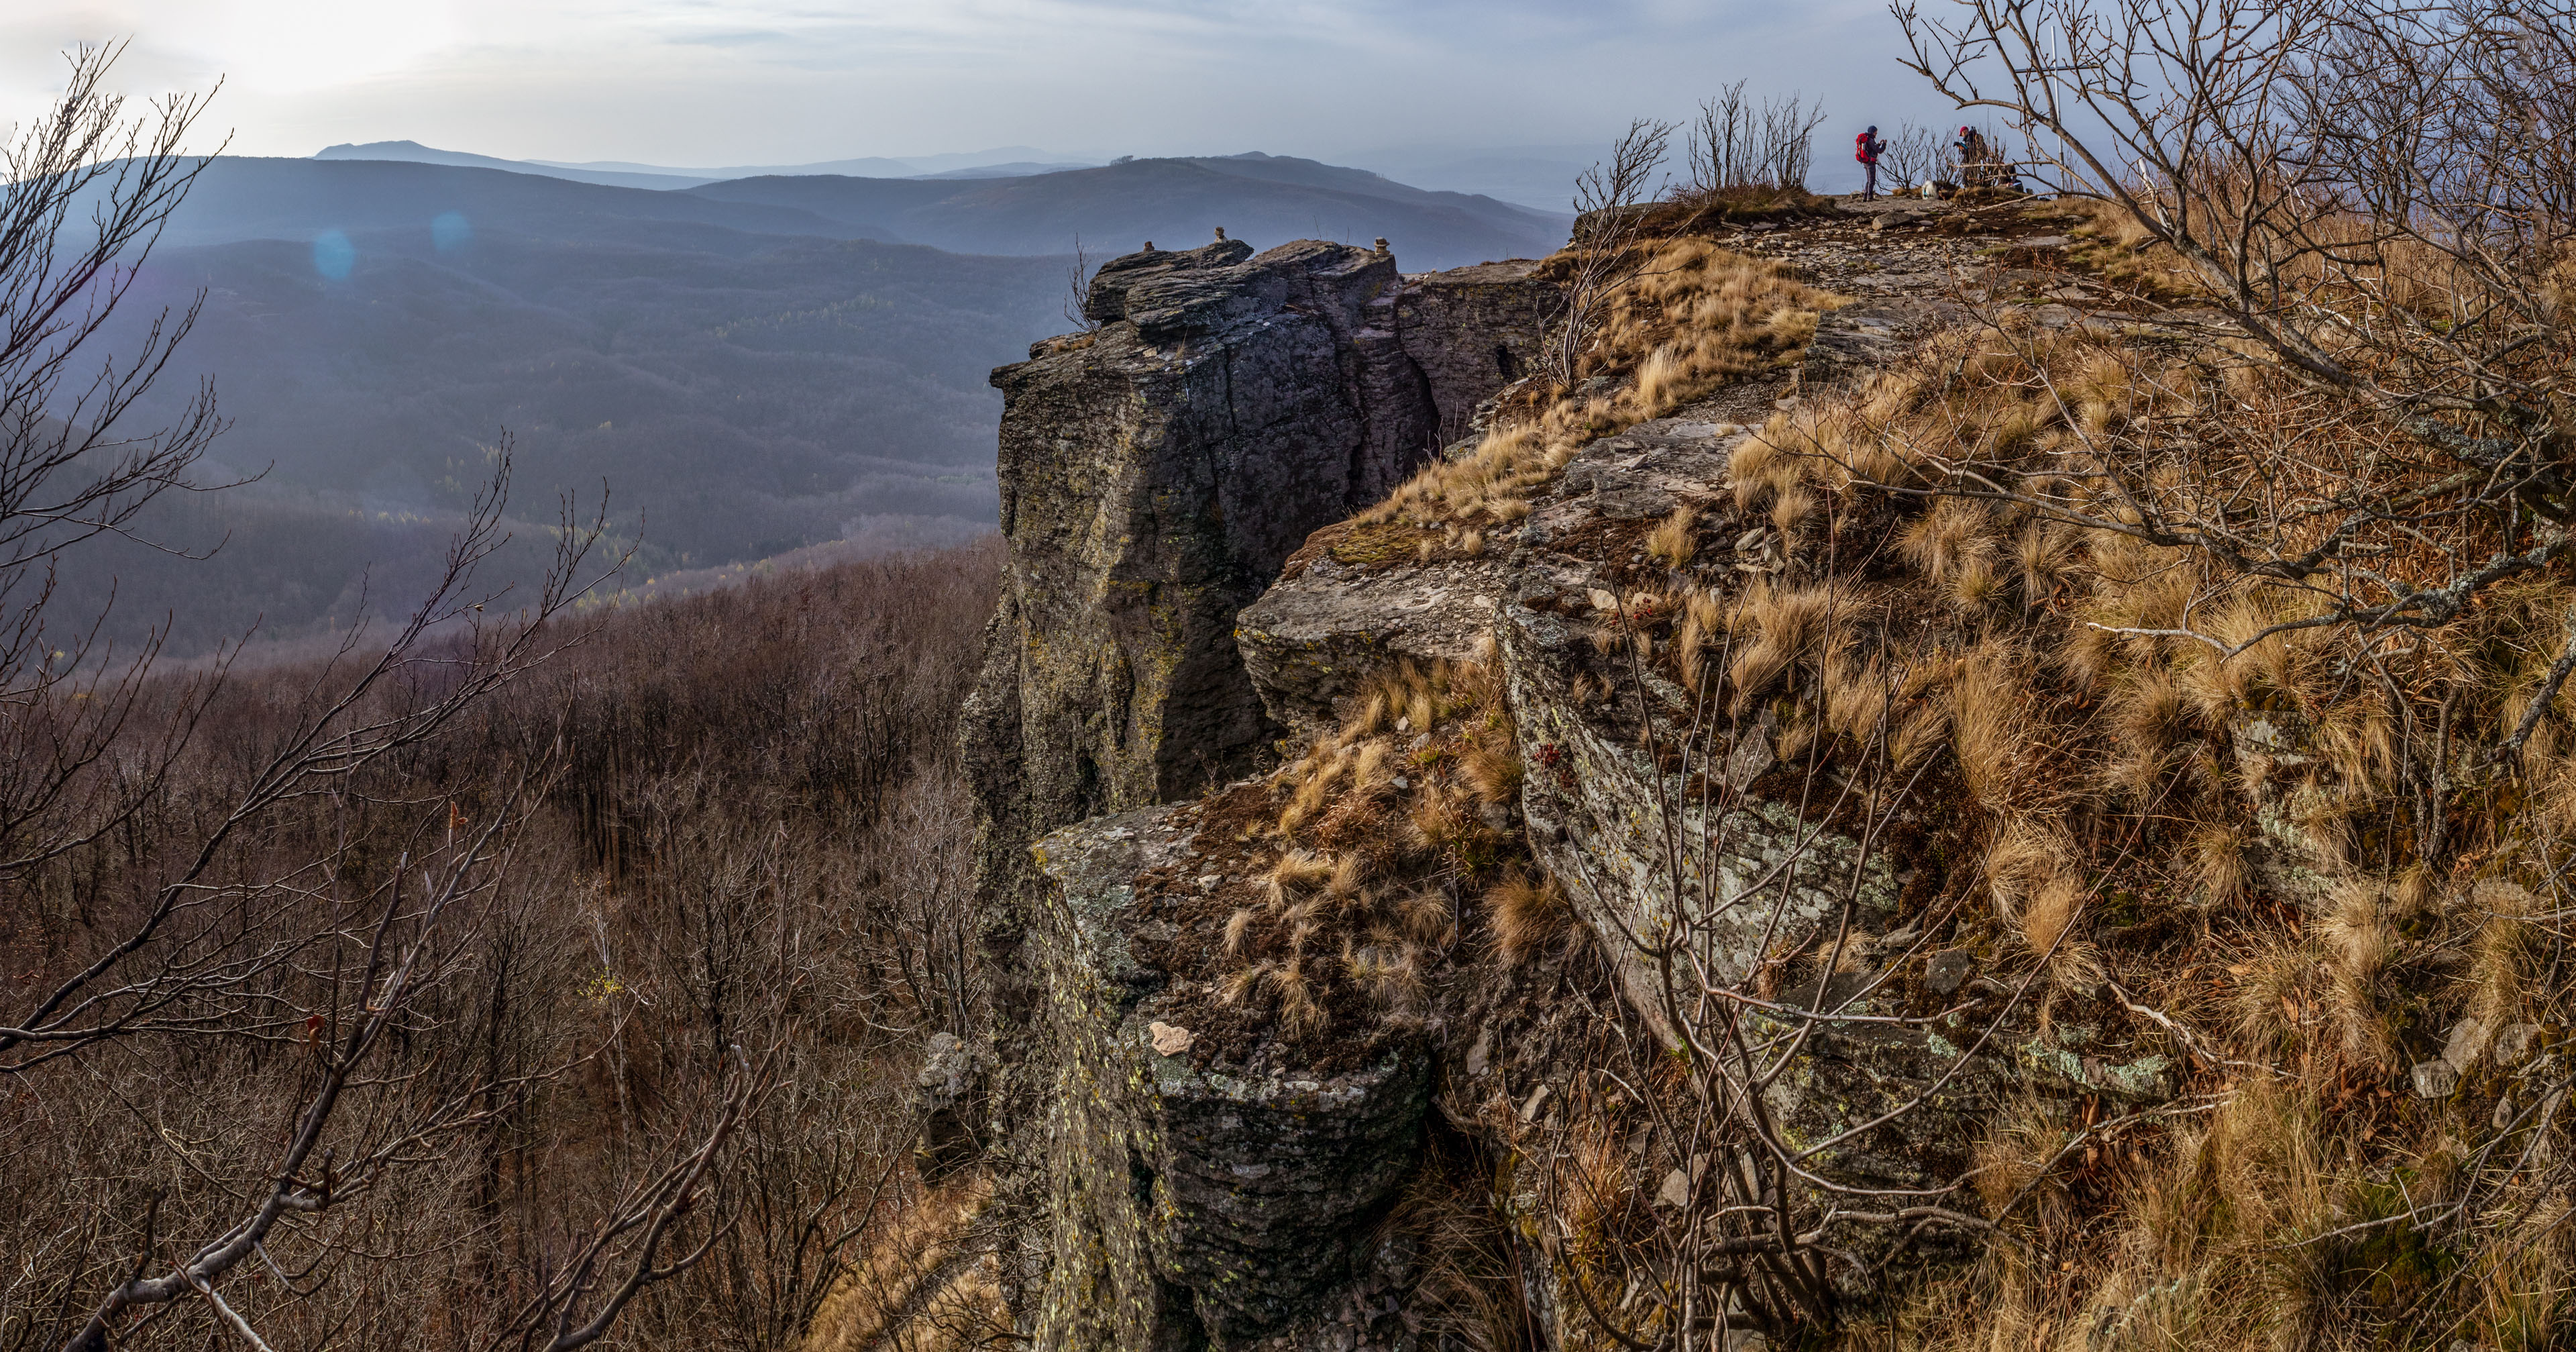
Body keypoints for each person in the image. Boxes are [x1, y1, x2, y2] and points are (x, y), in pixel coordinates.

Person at [1954, 125, 1993, 189]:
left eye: (1962, 134)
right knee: (1972, 179)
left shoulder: (1970, 137)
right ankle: (1973, 189)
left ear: (1964, 132)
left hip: (1973, 160)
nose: (1962, 136)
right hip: (1976, 160)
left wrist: (1962, 146)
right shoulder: (1972, 137)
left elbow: (1970, 149)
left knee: (1964, 179)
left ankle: (1970, 190)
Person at [1855, 125, 1886, 200]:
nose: (1876, 134)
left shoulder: (1867, 139)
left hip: (1866, 162)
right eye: (1875, 133)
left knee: (1869, 180)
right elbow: (1879, 151)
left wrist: (1878, 144)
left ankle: (1865, 197)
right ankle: (1870, 197)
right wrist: (1884, 144)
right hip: (1870, 162)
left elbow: (1872, 149)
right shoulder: (1871, 140)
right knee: (1872, 180)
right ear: (1872, 132)